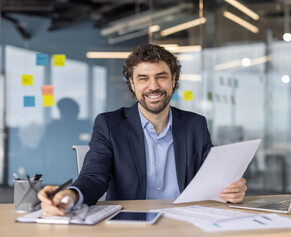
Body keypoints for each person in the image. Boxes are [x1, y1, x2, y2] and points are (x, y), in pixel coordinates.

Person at [38, 44, 247, 217]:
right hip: (131, 227)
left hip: (186, 224)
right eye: (143, 78)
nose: (153, 86)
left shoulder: (195, 125)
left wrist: (231, 190)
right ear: (132, 83)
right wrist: (70, 195)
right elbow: (94, 176)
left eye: (161, 76)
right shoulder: (110, 124)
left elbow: (211, 179)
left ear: (174, 80)